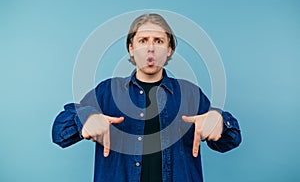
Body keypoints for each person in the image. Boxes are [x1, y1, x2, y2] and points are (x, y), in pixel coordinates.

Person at [52, 13, 241, 182]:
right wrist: (86, 118)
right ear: (131, 48)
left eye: (158, 41)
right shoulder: (107, 91)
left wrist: (220, 122)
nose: (151, 48)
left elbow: (230, 140)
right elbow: (59, 133)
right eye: (143, 40)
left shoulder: (190, 93)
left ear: (169, 50)